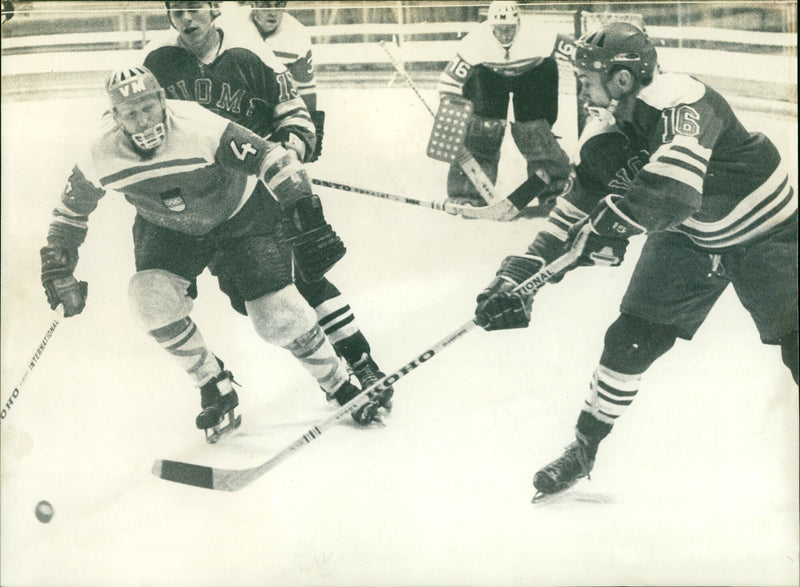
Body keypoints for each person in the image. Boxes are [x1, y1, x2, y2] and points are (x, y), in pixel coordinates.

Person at [473, 21, 798, 500]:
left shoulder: (682, 101)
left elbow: (672, 195)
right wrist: (520, 273)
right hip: (691, 238)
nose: (580, 88)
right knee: (630, 337)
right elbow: (573, 210)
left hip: (769, 234)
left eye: (586, 79)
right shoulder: (606, 132)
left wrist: (600, 234)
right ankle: (583, 448)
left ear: (622, 79)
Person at [39, 65, 387, 444]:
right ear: (114, 116)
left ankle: (338, 383)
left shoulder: (199, 126)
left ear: (162, 101)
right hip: (168, 229)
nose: (143, 121)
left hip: (238, 217)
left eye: (148, 108)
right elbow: (70, 212)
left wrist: (303, 209)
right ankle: (212, 384)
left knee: (276, 314)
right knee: (148, 299)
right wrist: (58, 265)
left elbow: (271, 157)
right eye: (131, 113)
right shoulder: (99, 152)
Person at [143, 2, 393, 409]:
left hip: (258, 192)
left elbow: (296, 113)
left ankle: (361, 361)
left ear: (213, 9)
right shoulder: (158, 63)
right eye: (178, 11)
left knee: (298, 279)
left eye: (195, 9)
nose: (188, 20)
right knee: (250, 299)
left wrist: (291, 141)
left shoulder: (249, 57)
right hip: (196, 201)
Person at [436, 0, 572, 208]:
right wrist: (451, 113)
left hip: (534, 73)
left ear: (519, 25)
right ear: (490, 27)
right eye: (499, 30)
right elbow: (449, 81)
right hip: (490, 75)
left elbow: (579, 54)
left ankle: (554, 190)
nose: (504, 35)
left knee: (535, 130)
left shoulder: (541, 34)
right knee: (481, 129)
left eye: (509, 29)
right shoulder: (475, 41)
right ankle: (467, 194)